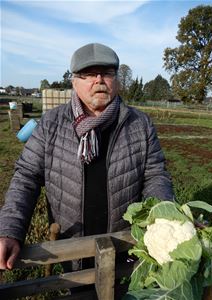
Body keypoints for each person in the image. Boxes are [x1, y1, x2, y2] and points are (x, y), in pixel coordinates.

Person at [0, 43, 174, 276]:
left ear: (117, 80)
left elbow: (155, 175)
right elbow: (26, 177)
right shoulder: (51, 124)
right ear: (74, 81)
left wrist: (165, 219)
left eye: (107, 72)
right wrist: (10, 230)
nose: (99, 79)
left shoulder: (140, 124)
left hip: (124, 243)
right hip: (71, 244)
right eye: (89, 73)